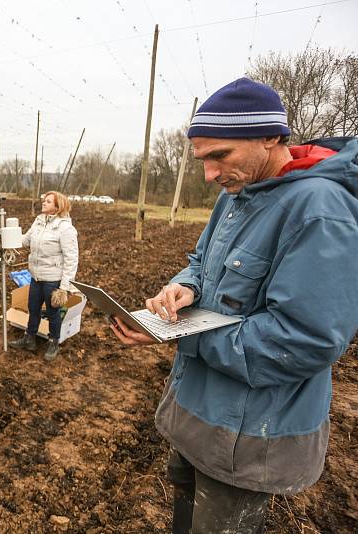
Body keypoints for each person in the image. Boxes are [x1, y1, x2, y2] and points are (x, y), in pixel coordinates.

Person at [109, 77, 358, 533]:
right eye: (202, 159)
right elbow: (201, 263)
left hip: (249, 432)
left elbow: (306, 339)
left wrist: (177, 333)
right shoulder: (237, 197)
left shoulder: (319, 209)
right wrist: (183, 289)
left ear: (270, 137)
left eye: (220, 156)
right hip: (197, 411)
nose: (209, 174)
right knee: (183, 511)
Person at [9, 191, 79, 361]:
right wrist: (8, 236)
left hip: (52, 279)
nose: (44, 203)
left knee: (53, 312)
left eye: (48, 201)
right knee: (33, 309)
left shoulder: (65, 228)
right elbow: (25, 240)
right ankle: (29, 339)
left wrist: (64, 287)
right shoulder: (39, 221)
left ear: (57, 207)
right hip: (36, 277)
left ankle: (53, 342)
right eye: (44, 200)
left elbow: (72, 259)